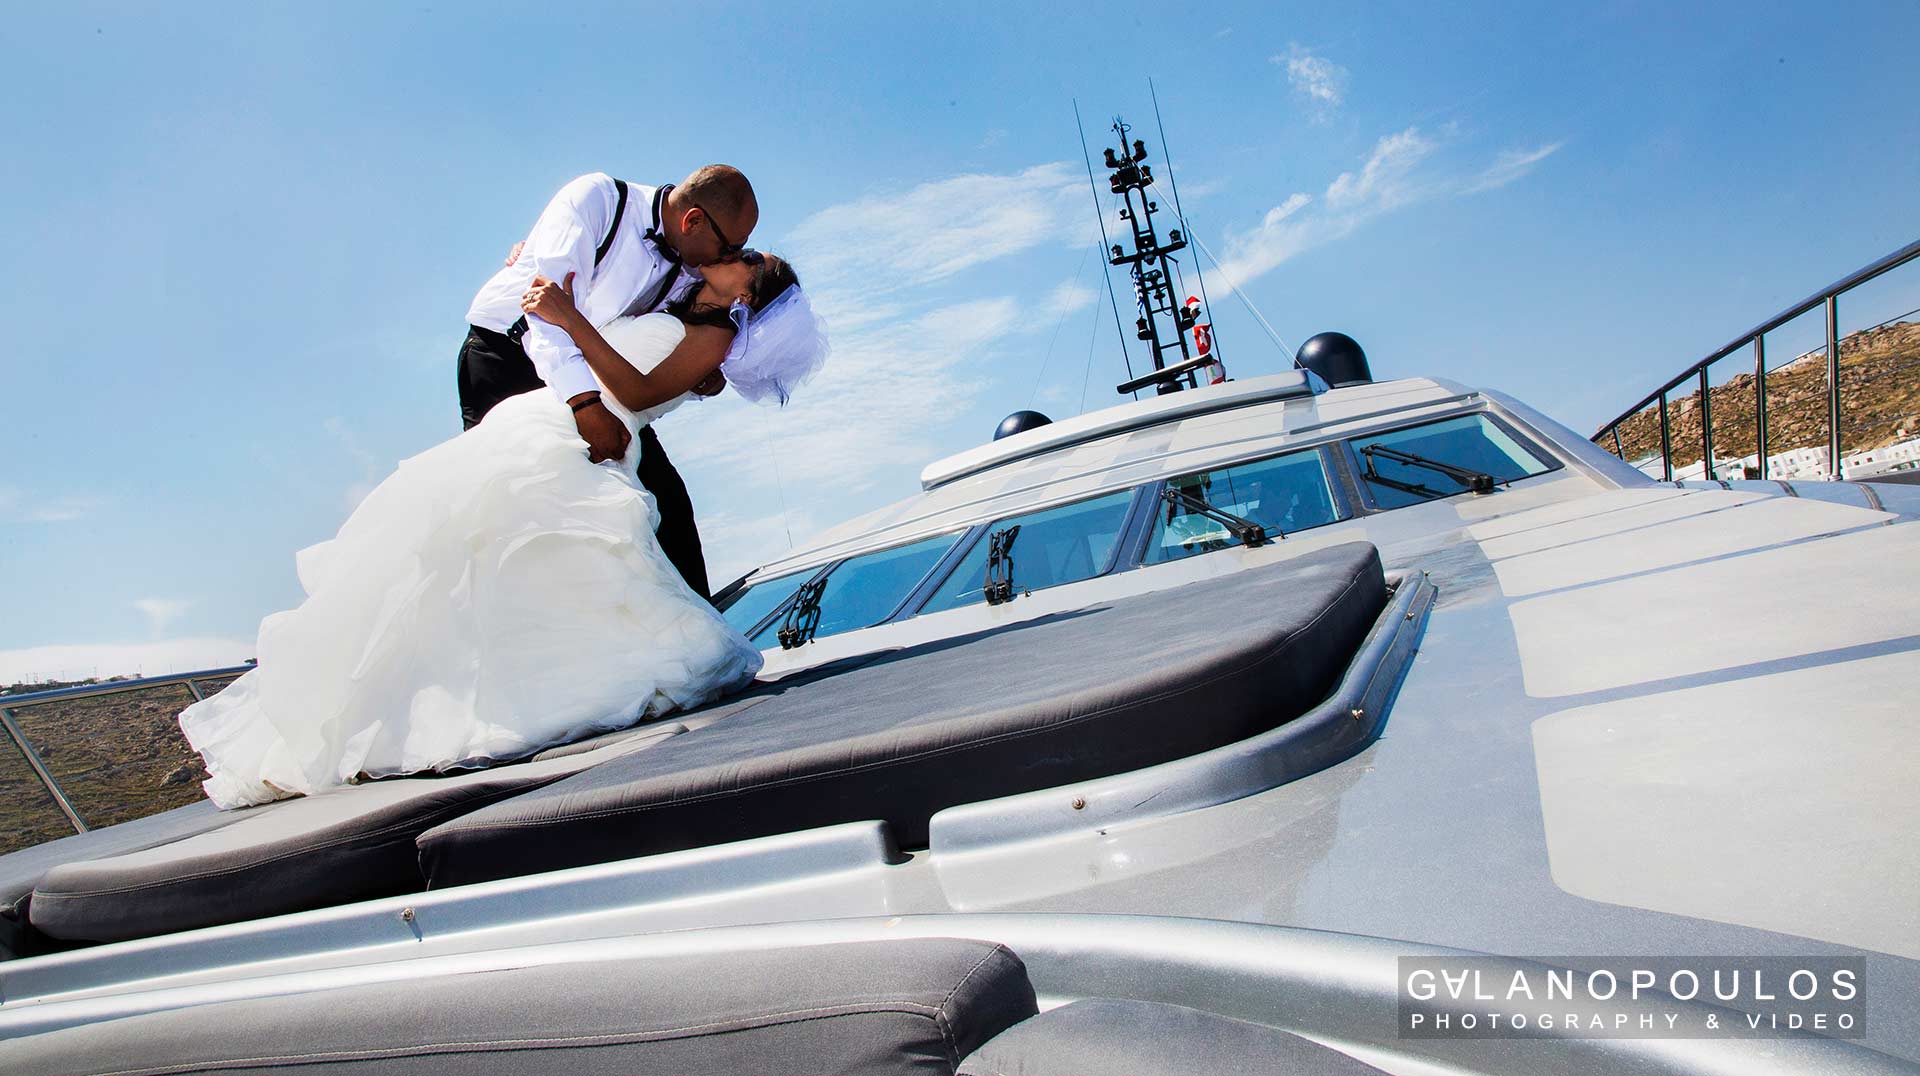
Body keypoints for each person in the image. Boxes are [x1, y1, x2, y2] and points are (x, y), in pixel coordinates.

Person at [179, 253, 827, 809]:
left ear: (746, 293)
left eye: (749, 260)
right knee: (454, 555)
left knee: (510, 555)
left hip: (583, 427)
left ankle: (499, 704)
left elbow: (632, 388)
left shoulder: (710, 337)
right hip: (542, 415)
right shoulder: (682, 302)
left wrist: (570, 320)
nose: (735, 252)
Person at [461, 166, 760, 601]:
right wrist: (585, 405)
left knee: (666, 504)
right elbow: (545, 309)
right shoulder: (597, 200)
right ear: (692, 220)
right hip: (507, 359)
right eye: (730, 246)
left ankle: (707, 647)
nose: (730, 257)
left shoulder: (696, 268)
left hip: (595, 375)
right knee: (514, 515)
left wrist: (702, 379)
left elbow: (675, 336)